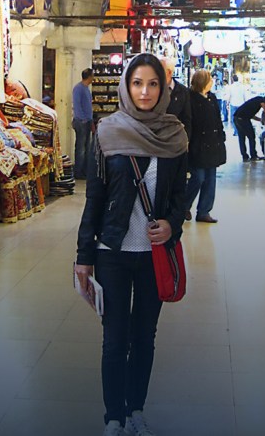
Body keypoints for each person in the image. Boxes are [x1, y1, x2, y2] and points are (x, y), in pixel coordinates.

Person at [74, 53, 188, 436]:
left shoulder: (175, 136)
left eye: (153, 84)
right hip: (113, 255)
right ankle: (114, 417)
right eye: (137, 83)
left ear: (163, 88)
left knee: (144, 339)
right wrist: (83, 257)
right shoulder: (107, 133)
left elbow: (181, 194)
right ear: (126, 86)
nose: (144, 91)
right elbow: (94, 199)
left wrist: (172, 224)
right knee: (114, 340)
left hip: (155, 256)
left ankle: (136, 409)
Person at [186, 69, 226, 223]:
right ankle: (183, 206)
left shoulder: (212, 98)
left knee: (210, 179)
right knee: (198, 177)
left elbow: (217, 119)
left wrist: (221, 135)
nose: (212, 82)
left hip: (213, 143)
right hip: (198, 145)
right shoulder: (190, 99)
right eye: (210, 79)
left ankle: (204, 211)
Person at [234, 94, 265, 162]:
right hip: (243, 119)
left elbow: (251, 116)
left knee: (242, 137)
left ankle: (245, 157)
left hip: (237, 118)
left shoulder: (255, 103)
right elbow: (264, 107)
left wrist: (260, 120)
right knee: (251, 136)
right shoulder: (260, 99)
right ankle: (253, 155)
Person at [161, 58, 192, 140]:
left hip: (175, 140)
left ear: (169, 72)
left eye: (159, 70)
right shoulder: (153, 89)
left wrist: (185, 140)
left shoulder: (183, 91)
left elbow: (187, 119)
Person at [72, 67, 94, 179]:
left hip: (87, 121)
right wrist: (83, 119)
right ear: (89, 76)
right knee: (81, 148)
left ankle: (85, 170)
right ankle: (78, 171)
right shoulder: (78, 89)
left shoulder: (86, 89)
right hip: (81, 122)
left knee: (87, 147)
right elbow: (77, 106)